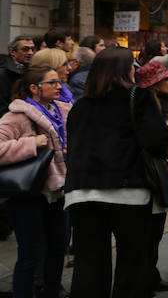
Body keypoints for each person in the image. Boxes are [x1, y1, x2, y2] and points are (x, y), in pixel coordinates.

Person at [64, 47, 168, 298]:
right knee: (132, 263)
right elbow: (158, 142)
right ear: (125, 70)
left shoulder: (80, 107)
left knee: (89, 264)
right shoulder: (138, 97)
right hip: (128, 191)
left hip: (82, 193)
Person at [0, 66, 70, 298]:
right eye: (52, 82)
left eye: (59, 81)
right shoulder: (17, 115)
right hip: (27, 193)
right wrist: (31, 144)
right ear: (34, 88)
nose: (59, 86)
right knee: (30, 252)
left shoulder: (62, 110)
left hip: (58, 190)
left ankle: (51, 292)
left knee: (58, 249)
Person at [135, 60, 168, 294]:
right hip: (153, 174)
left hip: (167, 170)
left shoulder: (167, 103)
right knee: (148, 232)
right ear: (154, 84)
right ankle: (144, 278)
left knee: (156, 231)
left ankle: (150, 275)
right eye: (166, 79)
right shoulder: (146, 109)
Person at [0, 36, 35, 115]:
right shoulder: (3, 73)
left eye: (32, 49)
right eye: (25, 49)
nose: (30, 53)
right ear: (12, 52)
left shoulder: (33, 70)